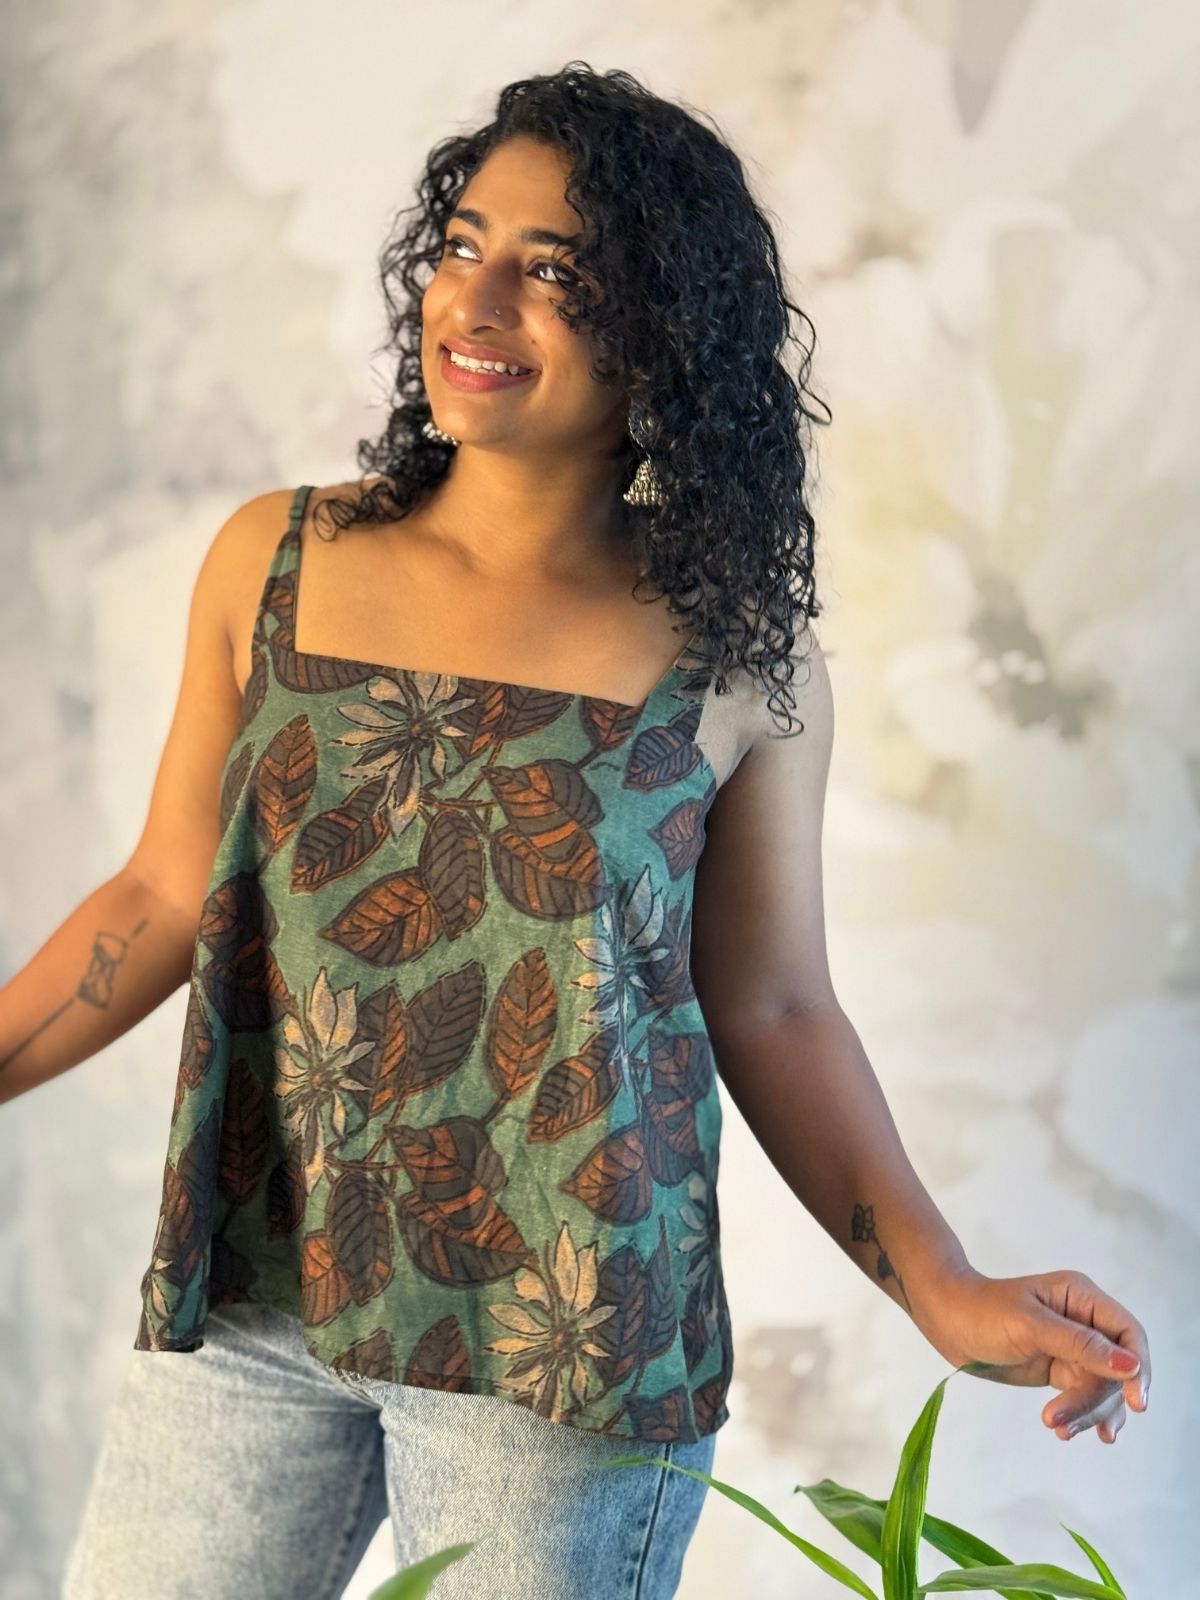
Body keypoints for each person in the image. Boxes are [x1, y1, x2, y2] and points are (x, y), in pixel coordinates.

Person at [0, 61, 1150, 1600]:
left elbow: (775, 1006)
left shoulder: (737, 658)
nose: (476, 304)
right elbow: (160, 891)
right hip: (263, 1298)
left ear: (665, 335)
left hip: (568, 1349)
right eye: (462, 246)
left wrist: (943, 1290)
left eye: (554, 273)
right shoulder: (272, 559)